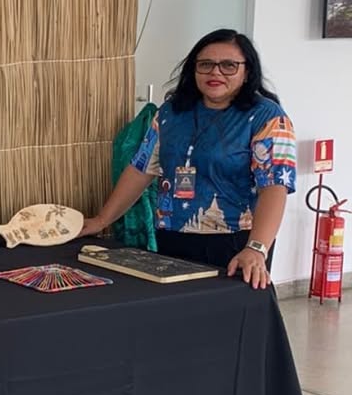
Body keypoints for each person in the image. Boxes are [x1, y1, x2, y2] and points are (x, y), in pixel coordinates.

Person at [81, 31, 296, 290]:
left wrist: (257, 248)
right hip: (172, 237)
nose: (215, 72)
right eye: (205, 64)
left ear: (247, 71)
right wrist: (102, 220)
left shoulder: (267, 117)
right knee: (175, 312)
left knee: (224, 314)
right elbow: (141, 169)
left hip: (236, 246)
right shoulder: (171, 112)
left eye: (229, 65)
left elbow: (274, 187)